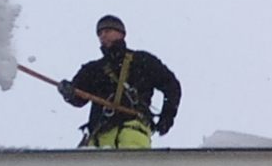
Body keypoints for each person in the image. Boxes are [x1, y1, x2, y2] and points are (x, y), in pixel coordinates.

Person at [58, 15, 181, 148]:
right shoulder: (93, 70)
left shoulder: (142, 61)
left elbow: (172, 86)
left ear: (122, 34)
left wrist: (167, 117)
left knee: (130, 165)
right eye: (100, 33)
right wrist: (69, 93)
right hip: (101, 135)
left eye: (107, 31)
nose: (103, 36)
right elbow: (79, 98)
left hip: (133, 130)